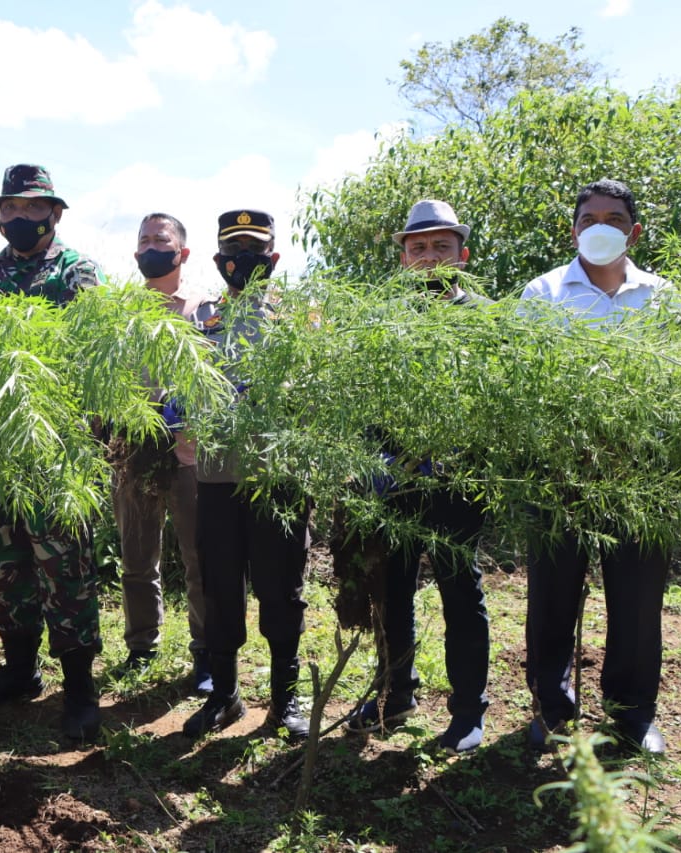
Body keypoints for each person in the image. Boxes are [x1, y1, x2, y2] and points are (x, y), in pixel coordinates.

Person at [520, 179, 672, 755]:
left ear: (632, 231)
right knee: (552, 593)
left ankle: (633, 715)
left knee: (637, 599)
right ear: (574, 228)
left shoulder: (662, 295)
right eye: (589, 218)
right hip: (561, 471)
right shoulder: (544, 293)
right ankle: (551, 709)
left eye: (613, 217)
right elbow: (523, 383)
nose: (600, 226)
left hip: (640, 473)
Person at [0, 164, 107, 741]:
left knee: (64, 569)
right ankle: (20, 672)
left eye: (29, 209)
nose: (18, 218)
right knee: (4, 563)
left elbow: (91, 354)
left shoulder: (77, 272)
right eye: (9, 210)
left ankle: (80, 690)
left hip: (55, 447)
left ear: (54, 213)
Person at [339, 200, 492, 754]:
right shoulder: (382, 319)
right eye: (418, 247)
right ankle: (395, 692)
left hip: (455, 482)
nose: (429, 258)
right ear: (403, 257)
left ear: (462, 254)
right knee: (393, 588)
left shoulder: (484, 317)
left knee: (460, 591)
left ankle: (468, 710)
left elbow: (496, 403)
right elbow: (361, 397)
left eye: (441, 247)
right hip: (394, 482)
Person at [183, 210, 310, 741]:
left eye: (255, 250)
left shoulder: (301, 318)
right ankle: (226, 696)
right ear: (219, 259)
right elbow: (180, 387)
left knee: (282, 588)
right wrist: (181, 428)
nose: (243, 260)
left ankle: (285, 699)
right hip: (216, 479)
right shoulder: (201, 319)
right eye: (234, 250)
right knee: (219, 586)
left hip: (279, 479)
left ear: (273, 258)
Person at [110, 212, 212, 694]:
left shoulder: (203, 309)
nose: (152, 246)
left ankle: (207, 654)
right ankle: (142, 644)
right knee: (136, 553)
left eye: (162, 239)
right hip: (133, 447)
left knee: (198, 556)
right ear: (136, 253)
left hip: (189, 449)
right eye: (144, 239)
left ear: (182, 252)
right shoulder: (118, 312)